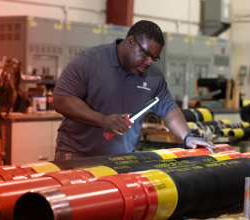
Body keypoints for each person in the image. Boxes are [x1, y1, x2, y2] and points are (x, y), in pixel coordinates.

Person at [53, 20, 215, 160]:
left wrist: (188, 137)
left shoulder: (153, 77)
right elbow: (61, 100)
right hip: (77, 156)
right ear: (131, 41)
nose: (149, 62)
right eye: (146, 55)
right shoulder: (89, 60)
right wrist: (102, 120)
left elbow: (170, 112)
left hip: (121, 161)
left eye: (154, 58)